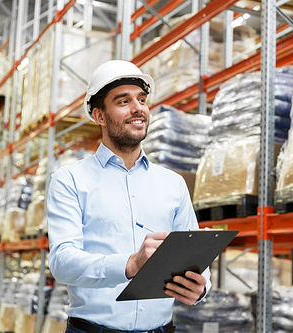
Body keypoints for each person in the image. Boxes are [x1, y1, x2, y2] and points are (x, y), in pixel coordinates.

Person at [47, 60, 211, 333]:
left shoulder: (173, 183)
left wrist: (200, 285)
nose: (138, 108)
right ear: (100, 116)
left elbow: (192, 254)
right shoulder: (71, 179)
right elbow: (62, 262)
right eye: (123, 101)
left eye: (142, 100)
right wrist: (131, 264)